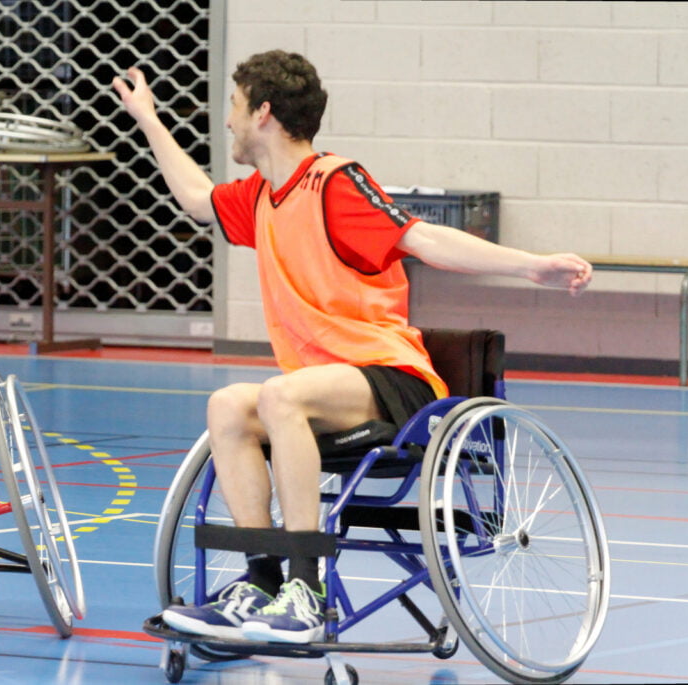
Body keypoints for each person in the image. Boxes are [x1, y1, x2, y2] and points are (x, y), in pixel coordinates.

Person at [112, 51, 592, 644]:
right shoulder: (261, 196)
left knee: (278, 396)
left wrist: (532, 267)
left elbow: (425, 238)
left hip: (391, 380)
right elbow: (196, 197)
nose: (228, 122)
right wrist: (147, 118)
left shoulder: (333, 183)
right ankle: (261, 581)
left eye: (234, 108)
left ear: (264, 113)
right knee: (227, 407)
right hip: (321, 387)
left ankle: (306, 589)